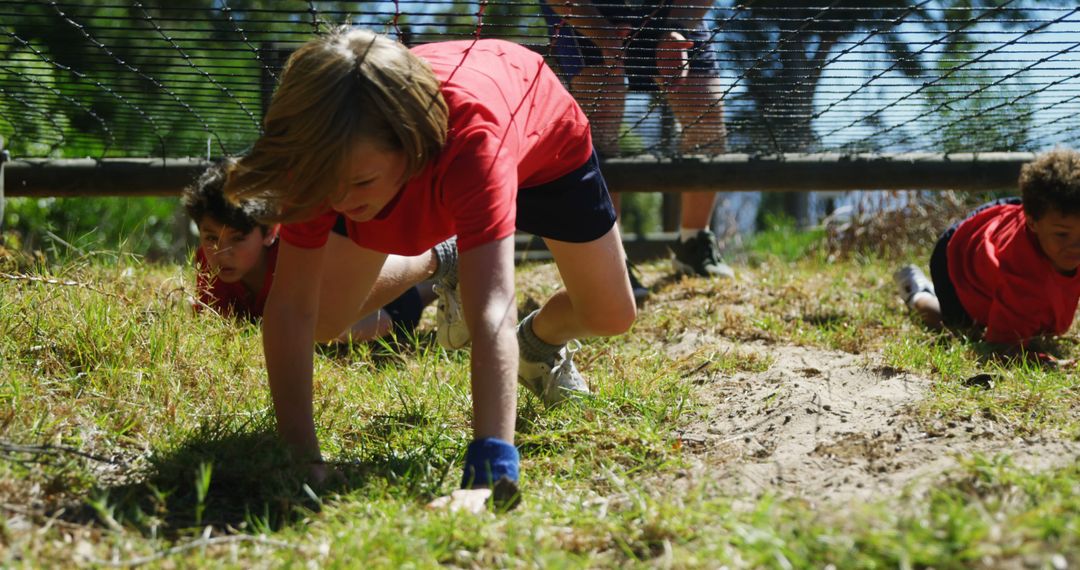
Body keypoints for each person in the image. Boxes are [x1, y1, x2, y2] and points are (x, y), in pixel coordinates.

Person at [223, 29, 637, 507]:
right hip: (427, 159)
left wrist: (488, 479)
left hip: (542, 141)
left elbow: (492, 310)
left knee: (612, 315)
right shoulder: (323, 150)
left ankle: (538, 342)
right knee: (323, 320)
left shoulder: (472, 144)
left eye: (359, 182)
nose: (337, 201)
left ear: (409, 143)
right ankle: (448, 256)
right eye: (326, 185)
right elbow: (292, 306)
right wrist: (300, 456)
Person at [540, 0, 734, 303]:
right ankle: (609, 259)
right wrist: (602, 34)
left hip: (670, 8)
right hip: (585, 7)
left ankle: (694, 243)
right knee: (600, 115)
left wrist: (677, 29)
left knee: (706, 113)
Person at [183, 159, 444, 344]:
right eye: (210, 237)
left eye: (238, 238)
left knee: (355, 326)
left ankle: (443, 259)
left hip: (369, 299)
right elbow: (219, 323)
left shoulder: (293, 256)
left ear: (270, 232)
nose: (221, 250)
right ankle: (441, 281)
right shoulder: (208, 260)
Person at [894, 149, 1080, 360]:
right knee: (957, 329)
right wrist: (1053, 362)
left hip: (1003, 216)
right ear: (1033, 222)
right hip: (956, 255)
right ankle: (917, 292)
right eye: (1062, 235)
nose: (1076, 246)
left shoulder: (1054, 218)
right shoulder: (1021, 277)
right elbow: (1001, 347)